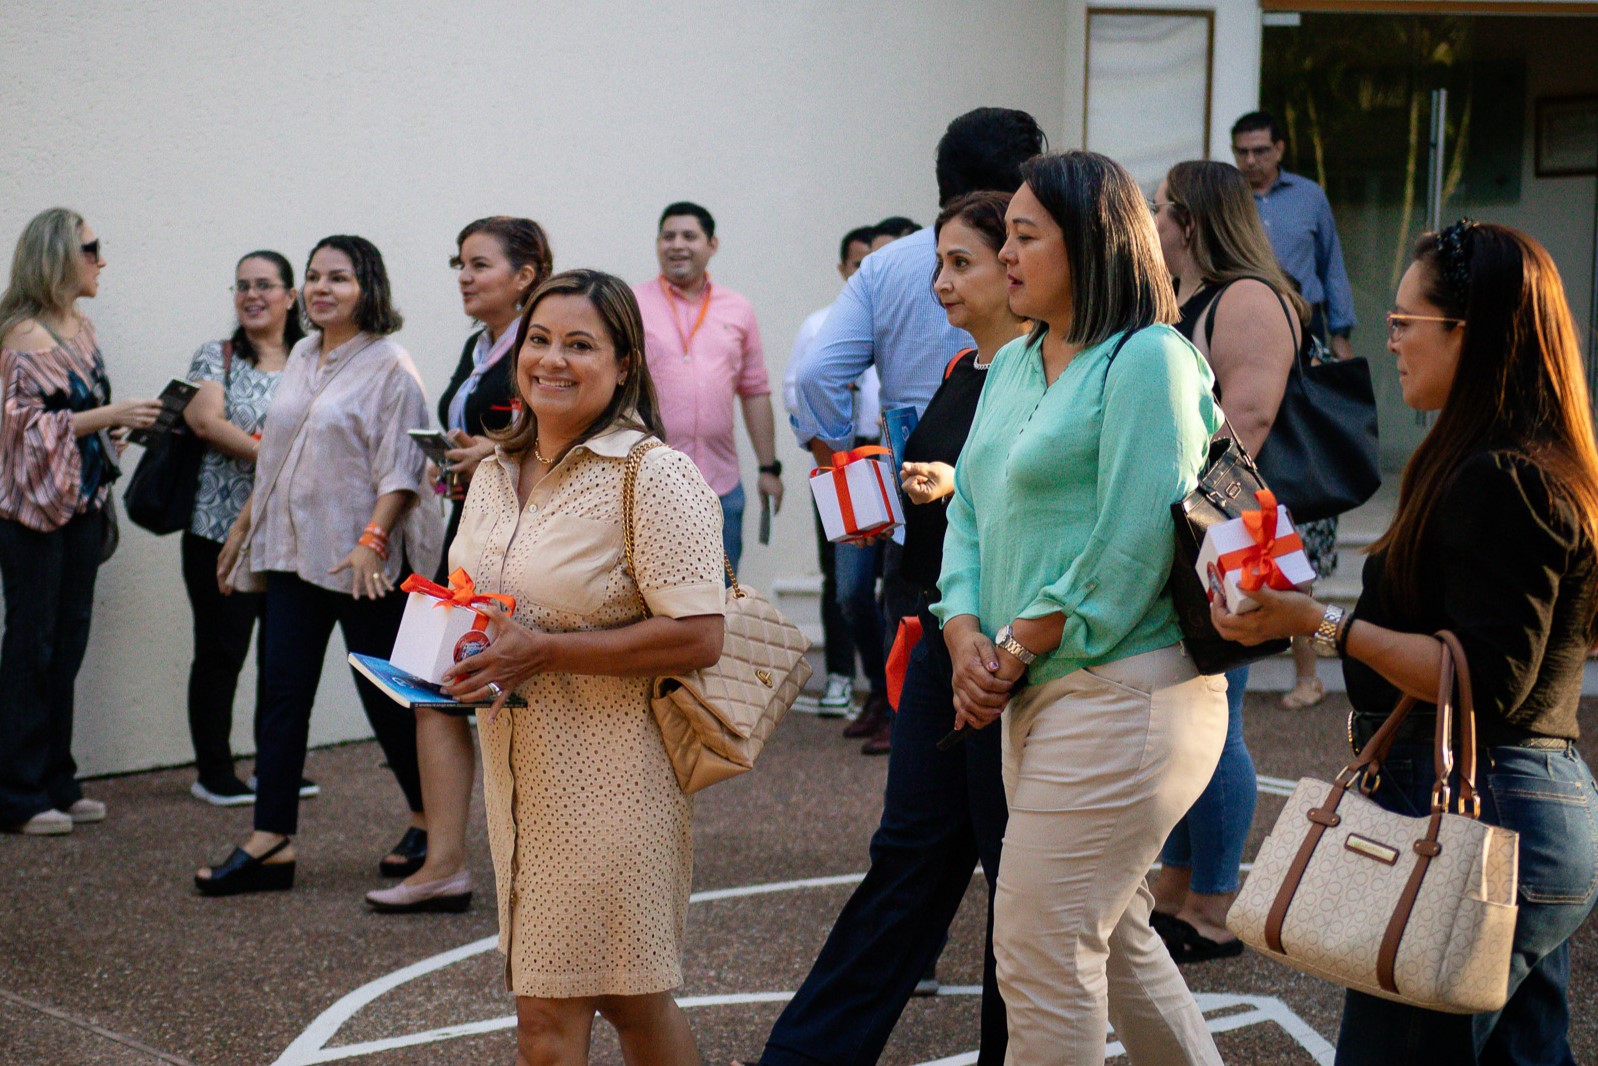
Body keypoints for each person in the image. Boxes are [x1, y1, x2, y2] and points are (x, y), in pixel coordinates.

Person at [1214, 220, 1598, 1066]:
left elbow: (1485, 680)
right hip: (1516, 812)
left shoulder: (1504, 476)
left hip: (1485, 808)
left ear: (1474, 333)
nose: (1388, 343)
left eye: (1404, 323)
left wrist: (1315, 624)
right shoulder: (1504, 461)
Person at [934, 151, 1228, 1064]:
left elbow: (1133, 540)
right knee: (1116, 937)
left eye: (1025, 236)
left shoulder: (1149, 359)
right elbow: (971, 513)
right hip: (1035, 691)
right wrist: (963, 635)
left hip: (1127, 689)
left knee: (1040, 949)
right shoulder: (1018, 359)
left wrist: (1011, 647)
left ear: (1091, 244)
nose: (1005, 255)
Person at [744, 190, 1024, 1066]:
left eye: (961, 263)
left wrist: (952, 493)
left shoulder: (1054, 376)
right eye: (939, 262)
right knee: (911, 856)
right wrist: (892, 500)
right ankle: (807, 1054)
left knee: (1017, 881)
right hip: (942, 636)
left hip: (1009, 656)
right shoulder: (960, 372)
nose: (939, 282)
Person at [439, 269, 725, 1065]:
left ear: (625, 363)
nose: (551, 361)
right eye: (538, 340)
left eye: (579, 345)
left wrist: (547, 651)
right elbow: (489, 601)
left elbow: (701, 636)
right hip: (518, 773)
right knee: (633, 999)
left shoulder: (652, 473)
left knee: (549, 1022)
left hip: (615, 777)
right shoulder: (493, 472)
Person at [790, 106, 1046, 756]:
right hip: (1016, 519)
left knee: (929, 715)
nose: (944, 285)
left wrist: (837, 455)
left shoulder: (888, 265)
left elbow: (821, 373)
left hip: (920, 504)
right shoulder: (1046, 270)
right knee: (1006, 730)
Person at [199, 235, 441, 895]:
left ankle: (427, 822)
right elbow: (276, 456)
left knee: (387, 698)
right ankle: (270, 838)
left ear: (370, 287)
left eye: (338, 277)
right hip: (290, 554)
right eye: (312, 277)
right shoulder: (304, 354)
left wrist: (372, 538)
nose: (320, 288)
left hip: (362, 560)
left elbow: (404, 465)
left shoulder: (392, 365)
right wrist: (243, 529)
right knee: (281, 696)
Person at [365, 216, 553, 915]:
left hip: (522, 548)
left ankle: (541, 867)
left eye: (479, 265)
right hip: (467, 537)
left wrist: (500, 456)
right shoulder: (481, 347)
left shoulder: (544, 347)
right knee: (432, 693)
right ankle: (444, 864)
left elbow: (580, 443)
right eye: (460, 264)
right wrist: (466, 456)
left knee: (516, 703)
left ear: (526, 274)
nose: (464, 277)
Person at [1145, 159, 1302, 962]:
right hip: (1197, 528)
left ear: (1195, 220)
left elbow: (1246, 424)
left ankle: (1213, 906)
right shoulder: (1189, 298)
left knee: (1222, 717)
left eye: (1163, 207)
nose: (1153, 218)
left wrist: (1177, 522)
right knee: (1190, 712)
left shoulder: (1245, 299)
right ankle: (1178, 889)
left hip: (1225, 532)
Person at [0, 209, 161, 836]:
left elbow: (80, 416)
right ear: (59, 255)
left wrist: (115, 423)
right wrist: (108, 414)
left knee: (65, 645)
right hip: (32, 514)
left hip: (83, 505)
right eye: (91, 247)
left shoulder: (83, 330)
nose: (101, 259)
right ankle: (16, 791)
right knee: (31, 647)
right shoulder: (21, 334)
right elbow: (22, 432)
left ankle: (56, 780)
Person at [180, 251, 304, 806]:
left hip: (290, 537)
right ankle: (213, 771)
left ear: (290, 296)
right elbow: (204, 420)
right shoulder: (218, 356)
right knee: (221, 651)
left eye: (265, 285)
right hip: (217, 528)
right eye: (242, 286)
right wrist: (282, 455)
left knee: (282, 658)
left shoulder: (311, 357)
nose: (252, 295)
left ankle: (272, 768)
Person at [634, 201, 780, 572]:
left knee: (723, 595)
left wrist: (769, 468)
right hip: (649, 482)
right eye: (668, 237)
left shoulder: (738, 309)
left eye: (689, 236)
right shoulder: (632, 304)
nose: (677, 245)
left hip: (722, 485)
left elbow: (755, 391)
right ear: (656, 244)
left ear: (712, 244)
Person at [781, 224, 881, 717]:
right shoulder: (820, 325)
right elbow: (794, 389)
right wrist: (826, 452)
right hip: (840, 458)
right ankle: (841, 675)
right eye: (857, 263)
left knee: (891, 578)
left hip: (888, 453)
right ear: (843, 268)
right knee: (842, 579)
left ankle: (886, 688)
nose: (865, 271)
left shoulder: (897, 319)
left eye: (874, 263)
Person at [1231, 110, 1356, 360]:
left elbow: (1331, 264)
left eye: (1260, 151)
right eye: (1242, 152)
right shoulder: (1225, 197)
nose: (1251, 160)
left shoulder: (1310, 196)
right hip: (1244, 320)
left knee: (1309, 395)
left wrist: (1340, 332)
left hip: (1305, 318)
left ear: (1279, 149)